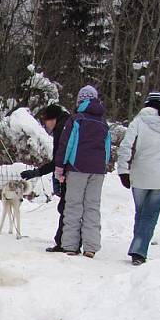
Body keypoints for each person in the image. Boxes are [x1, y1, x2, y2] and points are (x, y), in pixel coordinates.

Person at [116, 96, 160, 265]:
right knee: (150, 215)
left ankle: (137, 247)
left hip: (140, 174)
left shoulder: (139, 121)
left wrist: (123, 171)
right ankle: (139, 252)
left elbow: (126, 146)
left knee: (141, 213)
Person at [53, 85, 111, 258]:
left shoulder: (76, 120)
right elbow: (107, 149)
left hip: (77, 168)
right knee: (92, 207)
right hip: (98, 170)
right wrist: (103, 166)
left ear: (80, 101)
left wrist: (60, 166)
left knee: (73, 206)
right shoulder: (103, 123)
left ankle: (70, 245)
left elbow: (67, 144)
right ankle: (91, 247)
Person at [20, 103, 71, 251]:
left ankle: (63, 242)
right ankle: (71, 242)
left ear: (52, 119)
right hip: (82, 171)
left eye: (45, 121)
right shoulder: (69, 123)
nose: (45, 125)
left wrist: (38, 172)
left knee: (66, 207)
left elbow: (58, 160)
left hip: (69, 173)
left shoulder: (62, 128)